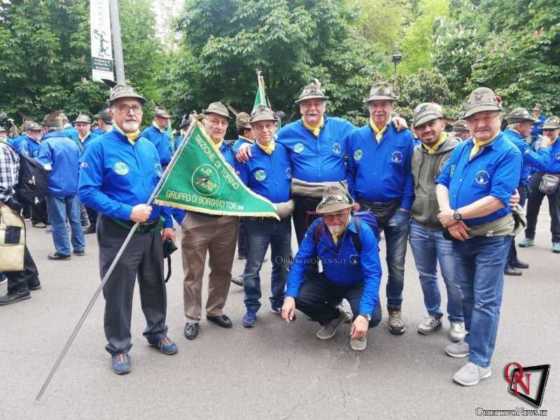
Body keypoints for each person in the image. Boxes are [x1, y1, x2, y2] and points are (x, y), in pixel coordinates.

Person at [79, 84, 178, 375]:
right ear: (113, 112)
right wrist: (127, 211)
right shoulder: (98, 147)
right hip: (118, 232)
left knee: (154, 285)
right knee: (119, 292)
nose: (130, 111)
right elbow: (86, 192)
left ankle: (157, 331)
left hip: (151, 231)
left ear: (142, 111)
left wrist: (168, 223)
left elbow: (160, 189)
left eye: (135, 106)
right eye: (123, 107)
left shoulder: (148, 146)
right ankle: (119, 346)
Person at [436, 87, 521, 386]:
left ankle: (480, 361)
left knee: (485, 299)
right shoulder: (462, 147)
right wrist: (448, 214)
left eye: (487, 117)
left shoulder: (509, 151)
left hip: (491, 238)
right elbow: (442, 182)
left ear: (499, 118)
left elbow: (499, 199)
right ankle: (473, 341)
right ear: (468, 123)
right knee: (466, 293)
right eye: (475, 119)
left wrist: (455, 216)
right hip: (460, 234)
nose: (481, 124)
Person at [346, 82, 415, 335]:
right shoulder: (355, 137)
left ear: (392, 107)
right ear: (368, 107)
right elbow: (349, 173)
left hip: (396, 208)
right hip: (364, 209)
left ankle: (395, 309)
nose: (379, 109)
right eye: (375, 104)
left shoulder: (404, 136)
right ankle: (366, 308)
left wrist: (405, 210)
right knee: (365, 260)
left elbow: (410, 175)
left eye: (384, 104)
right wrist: (352, 200)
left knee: (396, 264)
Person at [281, 186, 382, 351]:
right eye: (329, 216)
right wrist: (289, 295)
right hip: (330, 280)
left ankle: (360, 328)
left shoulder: (363, 231)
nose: (335, 220)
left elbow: (373, 274)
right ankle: (334, 317)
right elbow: (300, 261)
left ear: (349, 210)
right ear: (322, 215)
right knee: (298, 295)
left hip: (357, 284)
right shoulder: (317, 228)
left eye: (340, 214)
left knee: (374, 316)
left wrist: (364, 315)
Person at [181, 102, 239, 340]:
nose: (218, 125)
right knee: (193, 272)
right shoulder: (189, 148)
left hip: (226, 221)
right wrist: (181, 218)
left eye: (223, 122)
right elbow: (174, 181)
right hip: (196, 221)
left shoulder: (233, 151)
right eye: (214, 120)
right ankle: (192, 317)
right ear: (204, 122)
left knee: (222, 269)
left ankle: (215, 309)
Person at [409, 103, 466, 341]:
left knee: (453, 278)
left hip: (447, 228)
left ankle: (457, 319)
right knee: (426, 275)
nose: (427, 130)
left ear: (442, 123)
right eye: (421, 127)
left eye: (431, 124)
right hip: (419, 224)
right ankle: (433, 314)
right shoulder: (416, 151)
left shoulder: (460, 150)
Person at [235, 106, 292, 327]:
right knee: (253, 267)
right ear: (252, 130)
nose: (265, 130)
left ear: (275, 126)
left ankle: (278, 301)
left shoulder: (285, 151)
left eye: (268, 125)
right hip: (257, 223)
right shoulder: (245, 155)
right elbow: (242, 192)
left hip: (283, 220)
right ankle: (251, 307)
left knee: (282, 263)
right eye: (259, 127)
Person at [37, 112, 85, 260]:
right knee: (75, 219)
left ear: (47, 128)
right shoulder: (73, 142)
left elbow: (44, 166)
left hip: (55, 187)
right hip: (73, 185)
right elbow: (80, 163)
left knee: (58, 220)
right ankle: (79, 247)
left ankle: (63, 251)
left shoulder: (46, 144)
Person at [0, 140, 41, 306]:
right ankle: (31, 278)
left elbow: (4, 185)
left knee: (7, 244)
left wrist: (3, 202)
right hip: (8, 202)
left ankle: (18, 288)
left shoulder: (0, 150)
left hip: (5, 203)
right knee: (14, 241)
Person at [502, 108, 534, 275]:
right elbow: (542, 162)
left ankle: (512, 258)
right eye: (529, 125)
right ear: (520, 125)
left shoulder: (504, 137)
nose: (531, 129)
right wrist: (545, 147)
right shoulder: (519, 143)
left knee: (512, 224)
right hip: (515, 188)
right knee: (509, 226)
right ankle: (505, 263)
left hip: (512, 186)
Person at [521, 116, 560, 253]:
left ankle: (557, 240)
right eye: (545, 130)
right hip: (538, 175)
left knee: (555, 212)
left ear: (558, 130)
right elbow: (532, 159)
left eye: (551, 130)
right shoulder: (538, 143)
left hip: (556, 177)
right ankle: (529, 237)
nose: (548, 133)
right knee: (531, 209)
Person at [231, 111, 255, 286]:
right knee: (254, 239)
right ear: (246, 132)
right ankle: (248, 274)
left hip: (251, 198)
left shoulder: (247, 145)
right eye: (253, 128)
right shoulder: (240, 147)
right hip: (248, 198)